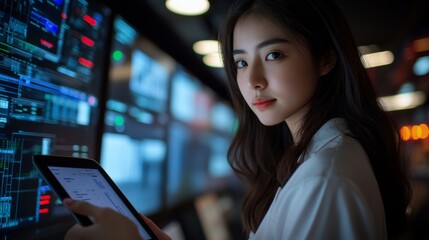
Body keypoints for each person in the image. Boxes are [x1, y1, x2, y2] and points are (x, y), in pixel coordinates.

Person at [63, 0, 411, 239]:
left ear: (325, 59)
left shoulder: (322, 178)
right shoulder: (311, 158)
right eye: (241, 62)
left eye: (274, 54)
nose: (253, 80)